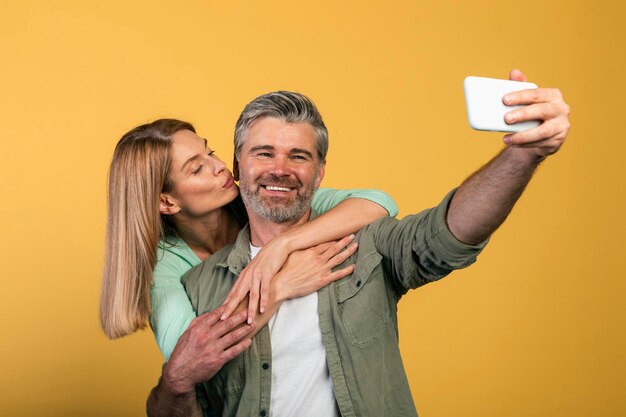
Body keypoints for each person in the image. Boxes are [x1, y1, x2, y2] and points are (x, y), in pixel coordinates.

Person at [147, 69, 570, 416]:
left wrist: (521, 156)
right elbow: (182, 400)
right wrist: (176, 381)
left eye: (299, 156)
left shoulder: (366, 244)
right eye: (263, 153)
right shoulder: (197, 287)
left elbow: (445, 234)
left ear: (321, 172)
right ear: (238, 164)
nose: (280, 169)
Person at [99, 118, 400, 362]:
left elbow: (378, 202)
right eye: (197, 167)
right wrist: (280, 287)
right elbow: (191, 355)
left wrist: (282, 246)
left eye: (210, 151)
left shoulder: (261, 199)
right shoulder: (163, 266)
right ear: (166, 202)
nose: (220, 166)